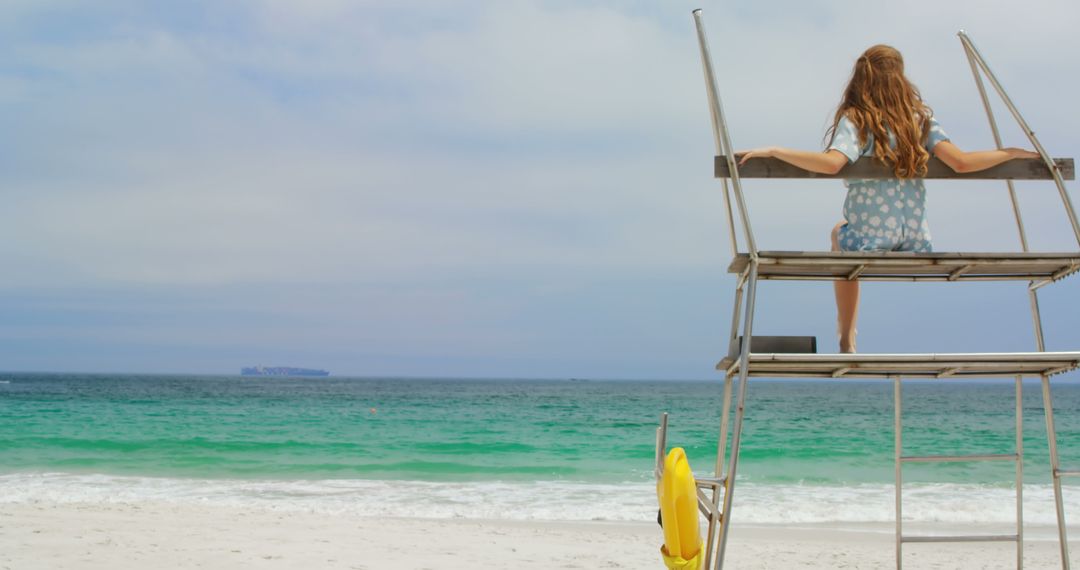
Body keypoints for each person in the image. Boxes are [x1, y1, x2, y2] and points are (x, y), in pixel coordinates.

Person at [736, 44, 1038, 353]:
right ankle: (846, 334)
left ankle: (846, 335)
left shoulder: (858, 120)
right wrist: (1010, 153)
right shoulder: (920, 123)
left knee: (838, 234)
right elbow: (961, 163)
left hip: (870, 240)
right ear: (900, 79)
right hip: (916, 241)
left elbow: (832, 164)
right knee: (842, 234)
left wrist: (775, 150)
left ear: (861, 79)